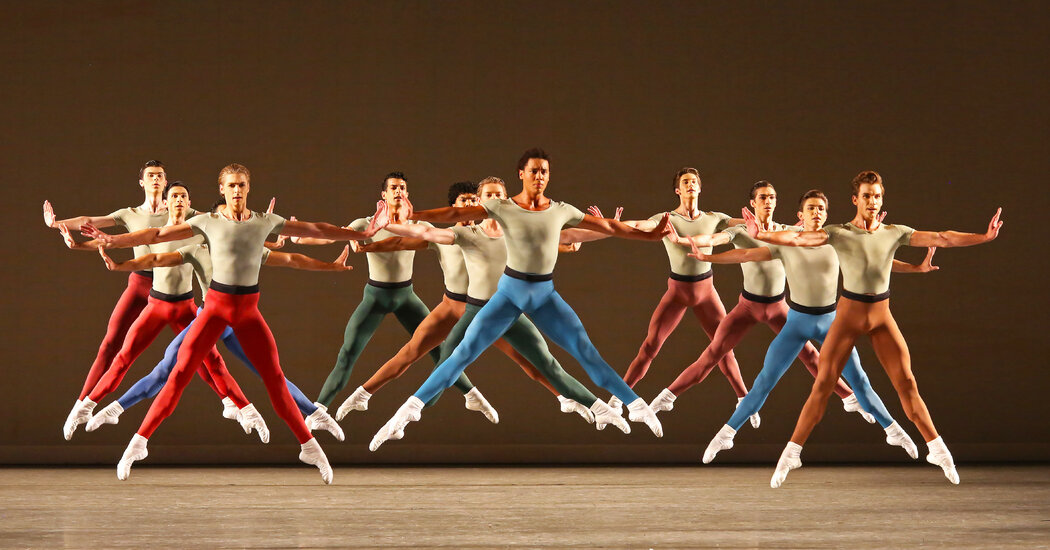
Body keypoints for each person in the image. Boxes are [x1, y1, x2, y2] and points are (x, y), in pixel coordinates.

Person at [80, 163, 389, 483]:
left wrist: (360, 234)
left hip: (247, 313)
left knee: (275, 379)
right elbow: (157, 235)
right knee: (179, 373)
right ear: (222, 190)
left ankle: (308, 446)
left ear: (248, 188)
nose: (237, 190)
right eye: (231, 186)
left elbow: (315, 230)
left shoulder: (264, 222)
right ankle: (140, 441)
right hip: (214, 310)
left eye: (242, 185)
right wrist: (113, 241)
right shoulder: (207, 222)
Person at [369, 148, 671, 450]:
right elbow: (456, 215)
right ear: (521, 175)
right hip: (509, 294)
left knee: (585, 353)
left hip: (544, 295)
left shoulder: (561, 210)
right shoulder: (502, 208)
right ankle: (405, 414)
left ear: (549, 176)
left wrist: (648, 235)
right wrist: (411, 216)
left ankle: (636, 406)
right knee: (461, 355)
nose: (539, 176)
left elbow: (606, 227)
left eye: (544, 171)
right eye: (534, 171)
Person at [745, 171, 1002, 487]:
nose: (872, 201)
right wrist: (763, 235)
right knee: (824, 384)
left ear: (882, 199)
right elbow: (799, 238)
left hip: (882, 316)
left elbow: (943, 237)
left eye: (877, 196)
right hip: (848, 316)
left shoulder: (894, 232)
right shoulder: (839, 232)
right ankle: (792, 452)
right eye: (866, 195)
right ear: (856, 199)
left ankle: (936, 447)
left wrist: (984, 237)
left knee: (906, 381)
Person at [696, 189, 938, 465]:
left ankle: (893, 430)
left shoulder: (837, 242)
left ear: (827, 215)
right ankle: (726, 434)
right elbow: (746, 254)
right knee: (765, 381)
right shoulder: (786, 244)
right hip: (796, 322)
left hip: (831, 322)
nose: (817, 213)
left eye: (821, 209)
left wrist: (916, 268)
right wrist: (708, 258)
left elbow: (881, 263)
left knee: (859, 381)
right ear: (800, 216)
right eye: (811, 208)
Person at [83, 204, 354, 442]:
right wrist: (119, 259)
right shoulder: (196, 250)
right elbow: (154, 257)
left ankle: (116, 409)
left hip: (231, 320)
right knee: (175, 367)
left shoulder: (247, 248)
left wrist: (328, 266)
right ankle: (306, 412)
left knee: (175, 368)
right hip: (212, 317)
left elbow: (292, 258)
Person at [647, 181, 877, 425]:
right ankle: (668, 395)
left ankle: (850, 399)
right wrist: (683, 241)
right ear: (753, 204)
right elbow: (714, 238)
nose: (768, 201)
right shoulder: (740, 231)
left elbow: (826, 236)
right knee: (714, 353)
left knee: (810, 355)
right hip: (748, 307)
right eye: (763, 197)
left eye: (772, 197)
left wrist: (869, 228)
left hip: (778, 307)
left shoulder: (787, 232)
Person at [58, 182, 256, 439]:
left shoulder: (199, 227)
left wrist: (271, 243)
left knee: (210, 360)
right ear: (166, 201)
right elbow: (125, 244)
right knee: (122, 355)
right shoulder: (156, 231)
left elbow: (238, 239)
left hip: (185, 306)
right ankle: (85, 405)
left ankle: (233, 405)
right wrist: (88, 249)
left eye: (183, 197)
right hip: (156, 302)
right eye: (174, 197)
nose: (178, 201)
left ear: (189, 202)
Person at [559, 168, 752, 419]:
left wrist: (798, 229)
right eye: (685, 182)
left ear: (700, 188)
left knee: (724, 347)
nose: (691, 185)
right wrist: (607, 226)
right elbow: (636, 225)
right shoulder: (666, 218)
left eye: (694, 181)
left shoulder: (715, 218)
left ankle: (743, 399)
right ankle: (619, 398)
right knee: (650, 346)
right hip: (678, 291)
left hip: (707, 291)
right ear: (678, 190)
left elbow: (754, 224)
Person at [297, 173, 496, 416]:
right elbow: (331, 235)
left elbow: (404, 242)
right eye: (393, 187)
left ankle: (470, 394)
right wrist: (300, 237)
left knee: (437, 349)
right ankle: (319, 408)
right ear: (384, 194)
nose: (398, 191)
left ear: (407, 194)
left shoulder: (419, 227)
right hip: (375, 297)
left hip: (406, 296)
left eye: (402, 187)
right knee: (348, 351)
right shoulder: (364, 223)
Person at [45, 160, 200, 429]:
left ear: (166, 183)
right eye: (150, 175)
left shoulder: (180, 208)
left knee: (199, 353)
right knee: (111, 345)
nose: (155, 179)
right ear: (142, 182)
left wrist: (268, 237)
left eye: (160, 176)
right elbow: (91, 224)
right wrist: (58, 225)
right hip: (140, 285)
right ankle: (82, 404)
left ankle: (233, 404)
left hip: (171, 292)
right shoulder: (129, 214)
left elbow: (224, 227)